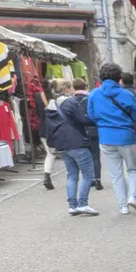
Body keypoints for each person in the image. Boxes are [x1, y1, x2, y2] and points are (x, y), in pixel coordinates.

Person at [87, 62, 136, 215]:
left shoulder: (94, 94)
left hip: (105, 136)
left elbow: (91, 115)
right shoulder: (126, 94)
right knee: (133, 169)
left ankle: (123, 206)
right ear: (119, 78)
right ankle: (133, 196)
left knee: (116, 174)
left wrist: (103, 123)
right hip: (126, 135)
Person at [43, 78, 98, 216]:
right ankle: (83, 204)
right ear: (67, 88)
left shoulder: (52, 104)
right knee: (88, 175)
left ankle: (72, 206)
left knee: (72, 176)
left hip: (62, 144)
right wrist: (97, 120)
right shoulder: (70, 102)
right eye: (71, 87)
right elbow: (83, 119)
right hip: (77, 141)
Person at [72, 78, 104, 191]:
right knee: (95, 156)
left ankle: (88, 179)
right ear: (85, 87)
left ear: (73, 88)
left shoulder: (71, 101)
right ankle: (97, 179)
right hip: (93, 130)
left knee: (84, 157)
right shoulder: (91, 98)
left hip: (79, 132)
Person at [34, 79, 57, 190]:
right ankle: (47, 177)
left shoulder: (38, 96)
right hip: (55, 129)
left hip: (43, 128)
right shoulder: (54, 98)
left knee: (50, 153)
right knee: (56, 153)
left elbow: (37, 112)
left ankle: (47, 176)